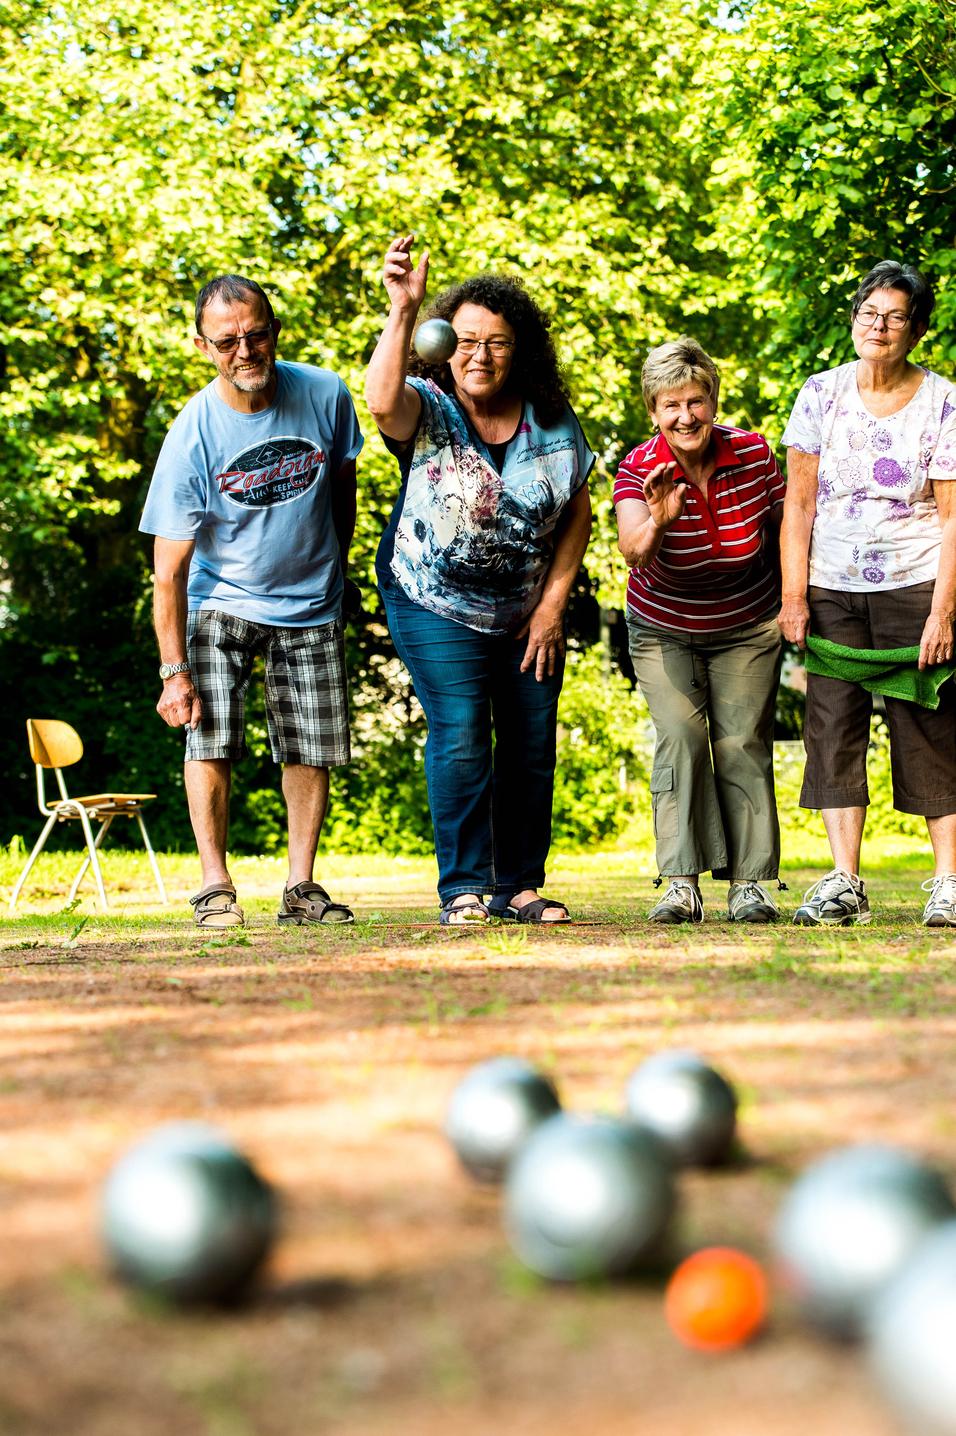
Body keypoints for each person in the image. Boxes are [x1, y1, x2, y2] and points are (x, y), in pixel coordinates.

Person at [365, 235, 594, 925]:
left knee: (530, 742)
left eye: (496, 342)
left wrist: (552, 606)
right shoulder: (428, 407)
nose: (479, 355)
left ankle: (518, 886)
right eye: (465, 341)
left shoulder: (552, 420)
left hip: (527, 607)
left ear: (518, 350)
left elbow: (577, 510)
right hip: (431, 597)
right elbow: (380, 403)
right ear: (444, 348)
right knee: (463, 731)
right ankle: (463, 887)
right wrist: (403, 310)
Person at [140, 275, 363, 928]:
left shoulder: (325, 394)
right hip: (221, 599)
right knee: (209, 738)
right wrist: (173, 671)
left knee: (311, 746)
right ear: (203, 347)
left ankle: (301, 888)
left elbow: (342, 486)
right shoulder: (192, 434)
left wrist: (337, 565)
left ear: (275, 330)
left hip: (312, 600)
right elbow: (168, 573)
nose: (245, 350)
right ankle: (215, 886)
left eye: (256, 334)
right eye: (227, 341)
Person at [778, 260, 956, 927]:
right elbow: (798, 505)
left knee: (930, 726)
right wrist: (794, 598)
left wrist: (944, 611)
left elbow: (953, 517)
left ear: (916, 330)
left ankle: (949, 882)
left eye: (895, 316)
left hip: (916, 583)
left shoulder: (944, 401)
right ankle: (844, 883)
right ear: (854, 319)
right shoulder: (819, 394)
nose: (878, 326)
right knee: (832, 728)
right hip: (831, 587)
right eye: (869, 313)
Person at [614, 337, 786, 924]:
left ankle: (750, 885)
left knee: (741, 743)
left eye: (696, 401)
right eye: (671, 405)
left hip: (748, 623)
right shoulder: (638, 468)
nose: (685, 416)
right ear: (653, 411)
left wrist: (794, 603)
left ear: (713, 401)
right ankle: (680, 883)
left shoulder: (754, 453)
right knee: (681, 738)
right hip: (663, 626)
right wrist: (660, 521)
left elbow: (787, 530)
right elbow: (633, 552)